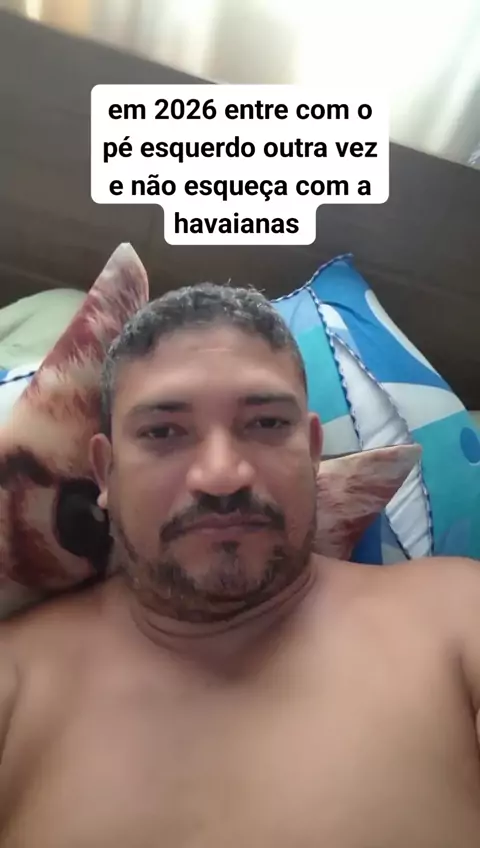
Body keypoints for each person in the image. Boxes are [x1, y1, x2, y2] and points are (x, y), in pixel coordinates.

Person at [0, 282, 479, 848]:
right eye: (163, 432)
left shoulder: (453, 615)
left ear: (312, 450)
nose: (222, 476)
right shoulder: (17, 680)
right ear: (105, 472)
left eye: (266, 424)